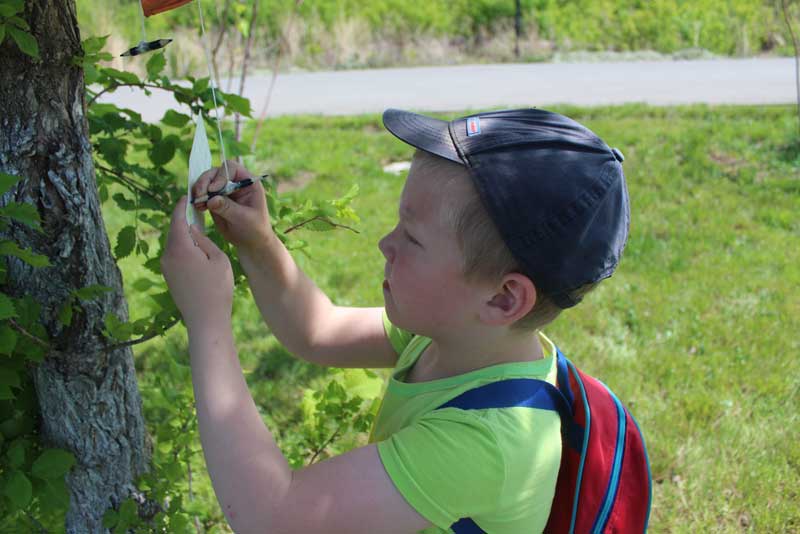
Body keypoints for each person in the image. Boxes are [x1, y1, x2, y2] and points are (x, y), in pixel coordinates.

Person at [160, 107, 630, 533]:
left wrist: (207, 322)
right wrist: (258, 243)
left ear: (505, 299)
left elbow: (273, 518)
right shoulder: (456, 337)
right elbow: (318, 331)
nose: (386, 244)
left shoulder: (487, 442)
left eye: (413, 238)